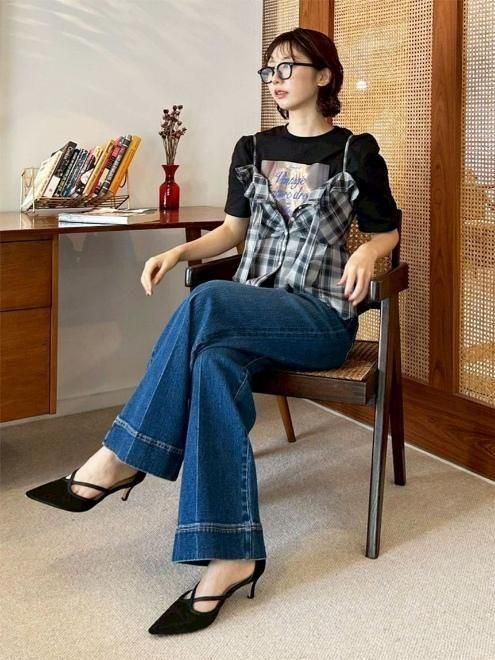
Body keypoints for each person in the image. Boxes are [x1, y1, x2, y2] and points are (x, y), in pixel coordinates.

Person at [25, 27, 400, 635]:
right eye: (268, 71)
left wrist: (368, 251)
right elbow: (232, 233)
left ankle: (122, 456)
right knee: (210, 365)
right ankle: (231, 557)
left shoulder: (355, 151)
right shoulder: (252, 148)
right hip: (254, 310)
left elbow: (387, 229)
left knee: (208, 300)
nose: (275, 79)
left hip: (317, 318)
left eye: (288, 67)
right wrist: (178, 252)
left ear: (325, 75)